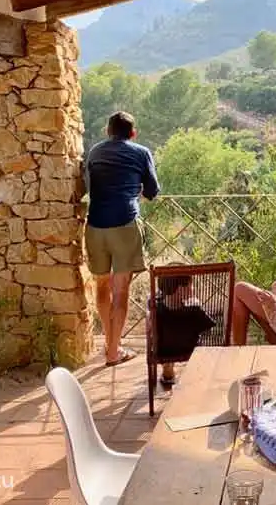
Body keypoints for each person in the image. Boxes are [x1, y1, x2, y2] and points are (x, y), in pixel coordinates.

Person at [84, 111, 160, 367]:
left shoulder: (95, 152)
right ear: (133, 133)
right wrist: (137, 193)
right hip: (125, 224)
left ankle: (110, 344)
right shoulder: (141, 152)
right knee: (121, 290)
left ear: (108, 132)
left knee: (101, 286)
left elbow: (87, 186)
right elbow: (153, 191)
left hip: (95, 225)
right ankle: (114, 351)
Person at [150, 273, 215, 386]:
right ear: (180, 289)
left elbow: (154, 332)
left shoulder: (157, 309)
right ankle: (196, 371)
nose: (193, 288)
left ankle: (168, 368)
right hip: (191, 349)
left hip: (164, 351)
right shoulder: (194, 308)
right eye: (191, 284)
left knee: (167, 335)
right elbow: (208, 327)